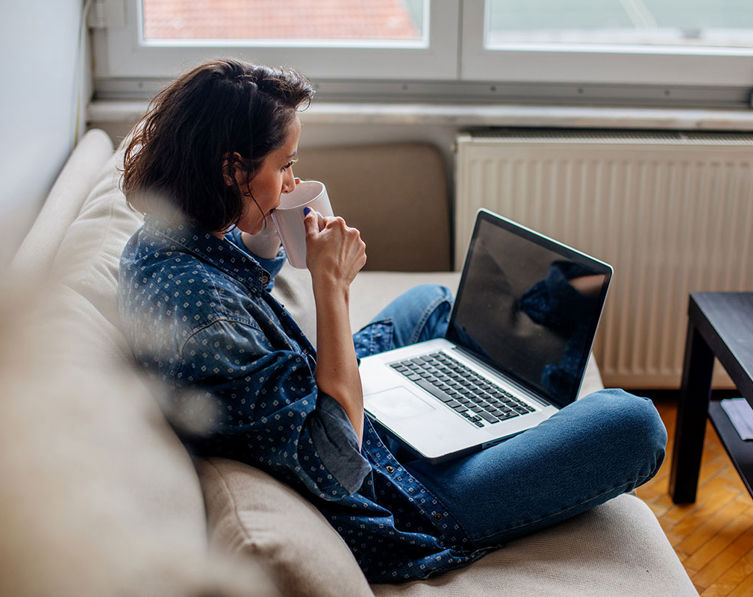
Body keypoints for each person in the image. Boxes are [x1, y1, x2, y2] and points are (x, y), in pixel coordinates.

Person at [118, 58, 667, 584]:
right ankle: (510, 419)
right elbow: (338, 462)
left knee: (428, 301)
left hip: (345, 415)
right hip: (401, 496)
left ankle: (490, 406)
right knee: (634, 422)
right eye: (284, 166)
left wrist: (267, 228)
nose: (292, 182)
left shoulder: (167, 241)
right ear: (232, 169)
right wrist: (331, 287)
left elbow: (245, 293)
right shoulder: (206, 321)